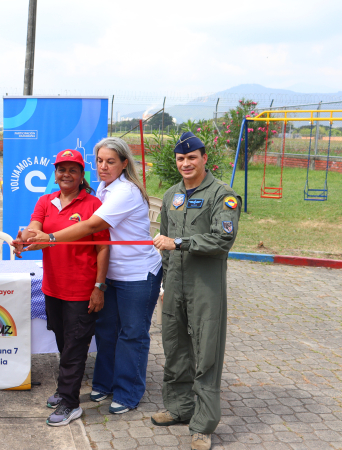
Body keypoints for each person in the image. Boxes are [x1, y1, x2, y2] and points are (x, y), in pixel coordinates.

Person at [19, 137, 162, 415]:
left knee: (132, 334)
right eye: (100, 161)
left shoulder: (126, 191)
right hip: (110, 275)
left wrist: (48, 238)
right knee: (107, 332)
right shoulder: (102, 189)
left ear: (124, 164)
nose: (104, 167)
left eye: (110, 161)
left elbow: (92, 226)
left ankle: (128, 392)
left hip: (136, 274)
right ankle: (105, 384)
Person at [152, 132, 241, 450]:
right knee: (175, 347)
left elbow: (222, 240)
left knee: (206, 354)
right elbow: (164, 237)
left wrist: (180, 242)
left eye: (192, 157)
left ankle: (203, 424)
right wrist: (165, 280)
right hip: (175, 283)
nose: (186, 163)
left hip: (206, 287)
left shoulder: (224, 195)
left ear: (205, 159)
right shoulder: (170, 195)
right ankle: (179, 408)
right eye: (180, 158)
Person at [12, 148, 110, 426]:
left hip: (82, 289)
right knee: (63, 342)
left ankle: (70, 403)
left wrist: (99, 286)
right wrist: (23, 239)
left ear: (81, 175)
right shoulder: (45, 201)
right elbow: (34, 230)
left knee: (75, 349)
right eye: (61, 169)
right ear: (55, 174)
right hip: (53, 288)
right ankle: (64, 390)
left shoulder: (93, 205)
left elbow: (104, 248)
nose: (66, 174)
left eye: (72, 170)